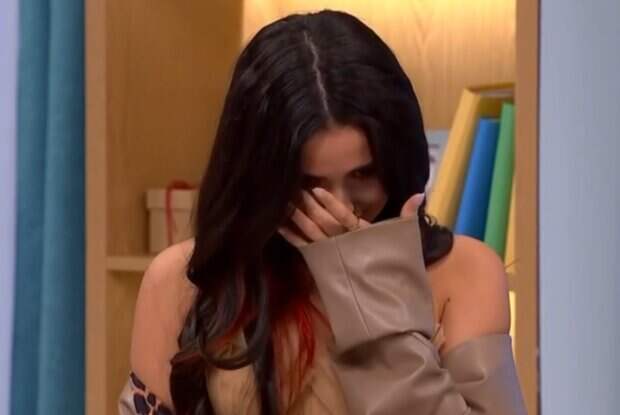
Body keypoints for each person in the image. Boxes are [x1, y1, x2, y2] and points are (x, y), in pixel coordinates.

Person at [118, 9, 526, 415]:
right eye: (310, 184)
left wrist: (374, 304)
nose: (341, 206)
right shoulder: (183, 281)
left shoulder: (465, 274)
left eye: (364, 174)